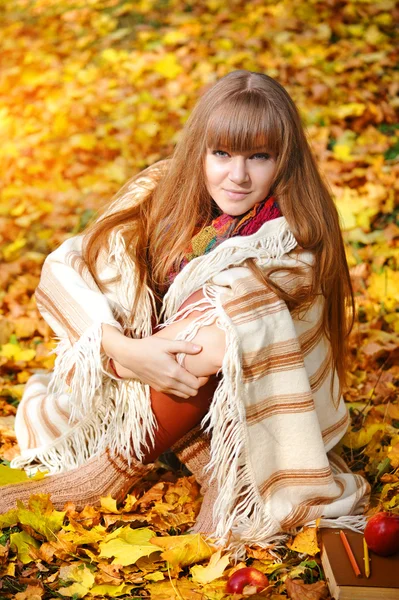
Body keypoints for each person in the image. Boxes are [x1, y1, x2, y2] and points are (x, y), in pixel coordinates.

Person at [0, 70, 370, 553]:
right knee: (133, 287)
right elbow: (66, 265)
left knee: (240, 303)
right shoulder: (164, 191)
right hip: (150, 376)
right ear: (200, 149)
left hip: (249, 404)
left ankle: (125, 468)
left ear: (284, 160)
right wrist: (125, 349)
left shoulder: (296, 232)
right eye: (222, 154)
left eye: (259, 157)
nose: (237, 176)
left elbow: (226, 338)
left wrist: (156, 353)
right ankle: (206, 463)